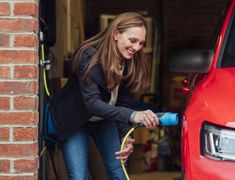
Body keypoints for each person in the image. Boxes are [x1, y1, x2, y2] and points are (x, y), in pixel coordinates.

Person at [52, 12, 159, 180]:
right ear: (116, 33)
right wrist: (134, 116)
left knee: (118, 173)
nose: (137, 48)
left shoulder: (132, 63)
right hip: (75, 120)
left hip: (104, 120)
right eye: (133, 40)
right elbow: (92, 103)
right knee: (79, 176)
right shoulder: (88, 55)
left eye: (141, 43)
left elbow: (124, 104)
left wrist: (127, 137)